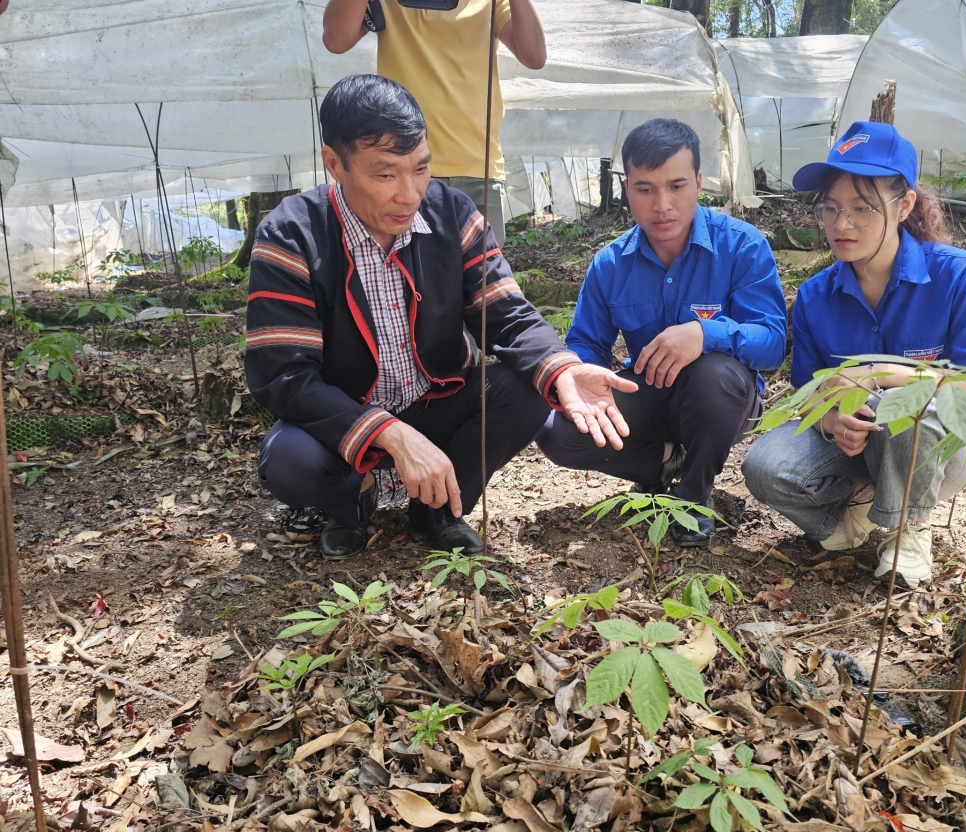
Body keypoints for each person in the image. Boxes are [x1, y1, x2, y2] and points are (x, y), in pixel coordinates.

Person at [247, 75, 635, 559]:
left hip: (435, 401)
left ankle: (437, 510)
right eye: (386, 174)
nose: (409, 194)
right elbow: (285, 375)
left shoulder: (452, 214)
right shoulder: (291, 234)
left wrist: (563, 368)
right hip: (345, 415)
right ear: (335, 164)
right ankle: (350, 502)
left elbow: (506, 314)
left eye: (421, 169)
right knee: (289, 460)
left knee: (528, 391)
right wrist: (385, 430)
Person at [742, 121, 966, 588]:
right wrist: (830, 421)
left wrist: (882, 372)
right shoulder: (815, 295)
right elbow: (808, 390)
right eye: (831, 208)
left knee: (898, 410)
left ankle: (908, 529)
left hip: (940, 454)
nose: (842, 225)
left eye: (862, 209)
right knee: (765, 467)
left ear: (904, 205)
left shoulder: (961, 277)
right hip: (853, 453)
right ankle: (855, 516)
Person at [537, 119, 787, 547]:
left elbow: (771, 343)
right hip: (649, 392)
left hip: (724, 400)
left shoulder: (741, 246)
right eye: (645, 188)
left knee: (715, 375)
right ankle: (665, 463)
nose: (662, 205)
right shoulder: (612, 263)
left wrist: (706, 334)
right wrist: (582, 377)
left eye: (676, 186)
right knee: (557, 431)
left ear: (698, 182)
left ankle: (694, 498)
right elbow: (585, 344)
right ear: (627, 188)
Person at [322, 0, 547, 249]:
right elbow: (336, 39)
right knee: (401, 276)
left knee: (481, 278)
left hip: (476, 167)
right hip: (402, 169)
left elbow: (534, 56)